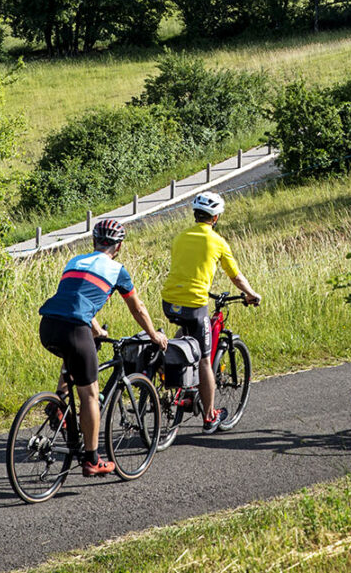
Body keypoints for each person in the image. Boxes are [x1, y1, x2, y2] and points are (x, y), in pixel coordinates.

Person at [37, 218, 168, 477]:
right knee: (90, 394)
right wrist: (154, 335)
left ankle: (59, 402)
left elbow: (75, 299)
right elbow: (138, 308)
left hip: (48, 326)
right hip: (75, 329)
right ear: (118, 247)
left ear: (94, 241)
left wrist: (97, 331)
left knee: (72, 355)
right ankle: (92, 460)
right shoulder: (117, 270)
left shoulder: (75, 262)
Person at [161, 191, 261, 434]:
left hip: (169, 301)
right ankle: (209, 417)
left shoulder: (180, 237)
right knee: (205, 360)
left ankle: (175, 378)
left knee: (185, 336)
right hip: (195, 304)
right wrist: (251, 294)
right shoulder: (217, 242)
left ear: (195, 215)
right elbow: (235, 276)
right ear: (215, 218)